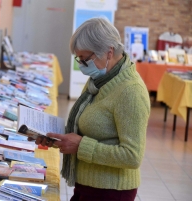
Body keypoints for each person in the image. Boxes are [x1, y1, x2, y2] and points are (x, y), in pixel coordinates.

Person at [32, 18, 150, 201]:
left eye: (85, 59)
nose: (81, 65)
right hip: (88, 185)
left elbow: (132, 156)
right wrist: (56, 137)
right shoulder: (100, 80)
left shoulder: (131, 91)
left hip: (110, 191)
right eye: (78, 58)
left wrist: (81, 146)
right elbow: (88, 125)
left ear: (108, 52)